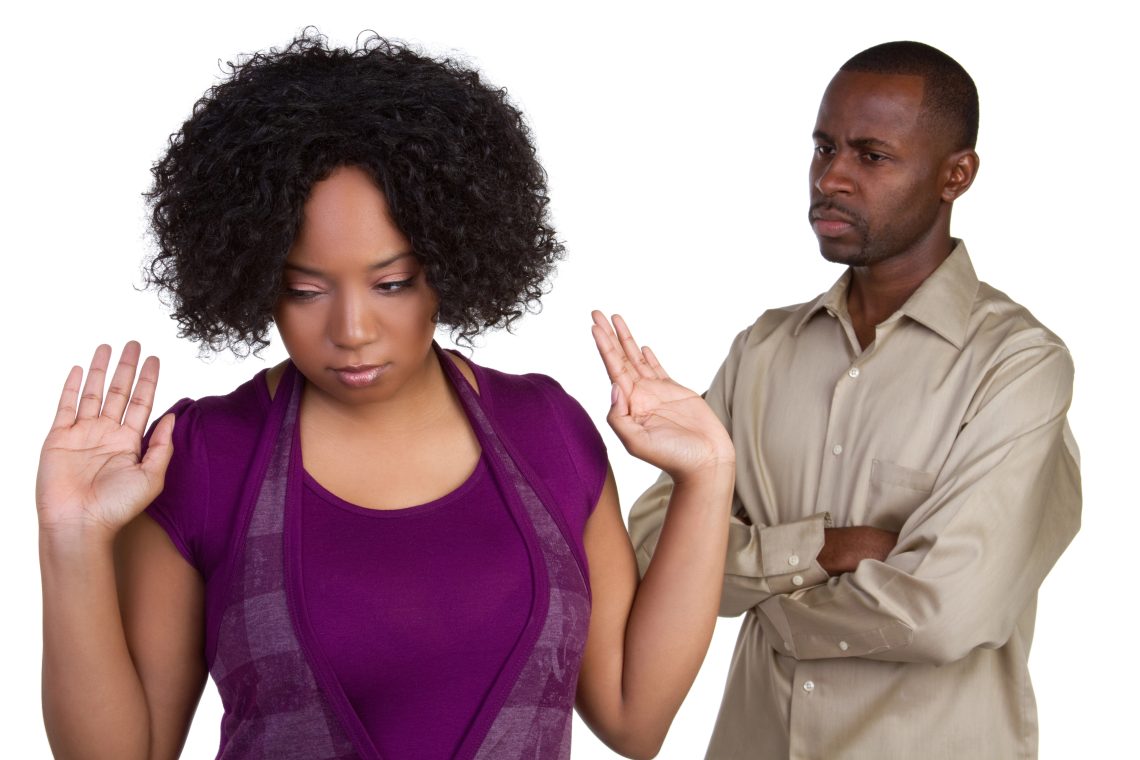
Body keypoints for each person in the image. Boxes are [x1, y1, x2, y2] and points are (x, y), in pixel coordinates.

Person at [36, 32, 736, 760]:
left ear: (450, 263)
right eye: (304, 290)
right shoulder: (206, 456)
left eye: (392, 283)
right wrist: (70, 540)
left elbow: (633, 719)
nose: (352, 330)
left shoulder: (546, 430)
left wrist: (708, 477)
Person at [629, 40, 1080, 759]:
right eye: (823, 148)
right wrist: (826, 550)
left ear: (955, 175)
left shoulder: (1018, 366)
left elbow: (943, 613)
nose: (831, 177)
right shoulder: (762, 352)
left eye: (871, 155)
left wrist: (759, 594)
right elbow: (653, 552)